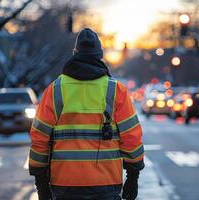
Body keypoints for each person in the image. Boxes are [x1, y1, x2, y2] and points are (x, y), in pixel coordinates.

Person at [28, 28, 145, 200]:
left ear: (74, 53)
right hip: (106, 183)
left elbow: (39, 138)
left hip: (64, 184)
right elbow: (131, 138)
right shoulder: (116, 90)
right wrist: (133, 177)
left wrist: (41, 183)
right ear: (100, 55)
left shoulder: (55, 90)